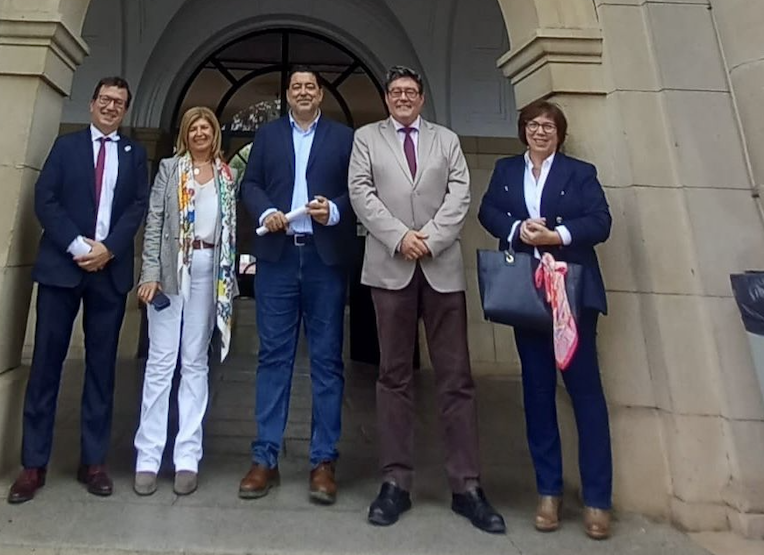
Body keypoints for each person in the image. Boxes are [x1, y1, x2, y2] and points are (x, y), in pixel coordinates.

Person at [348, 65, 505, 533]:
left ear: (422, 97)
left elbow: (461, 193)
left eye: (410, 91)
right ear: (386, 98)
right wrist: (400, 237)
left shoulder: (446, 140)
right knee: (393, 375)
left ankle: (467, 486)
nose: (403, 97)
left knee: (456, 378)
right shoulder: (366, 139)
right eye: (395, 91)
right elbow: (361, 192)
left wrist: (430, 239)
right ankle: (395, 482)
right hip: (389, 266)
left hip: (440, 269)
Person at [7, 77, 149, 503]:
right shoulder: (65, 147)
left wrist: (109, 249)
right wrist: (76, 244)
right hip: (61, 271)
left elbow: (137, 207)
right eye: (104, 99)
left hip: (108, 272)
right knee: (47, 367)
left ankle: (94, 462)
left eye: (119, 102)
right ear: (91, 104)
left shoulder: (134, 153)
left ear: (125, 110)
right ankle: (33, 464)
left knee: (101, 370)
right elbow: (45, 198)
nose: (110, 107)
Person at [478, 99, 613, 540]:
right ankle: (548, 492)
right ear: (523, 130)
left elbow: (600, 221)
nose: (540, 132)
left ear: (560, 132)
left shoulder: (580, 172)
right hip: (526, 294)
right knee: (537, 392)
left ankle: (596, 499)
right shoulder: (505, 170)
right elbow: (488, 212)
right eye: (534, 125)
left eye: (549, 126)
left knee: (585, 393)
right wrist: (518, 229)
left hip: (571, 293)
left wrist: (558, 235)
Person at [237, 67, 355, 505]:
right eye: (296, 87)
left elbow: (359, 189)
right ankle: (265, 457)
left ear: (320, 94)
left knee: (326, 362)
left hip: (324, 258)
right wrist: (265, 208)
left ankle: (323, 461)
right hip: (278, 259)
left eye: (310, 87)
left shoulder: (344, 138)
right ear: (287, 95)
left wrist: (336, 211)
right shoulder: (267, 136)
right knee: (273, 359)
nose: (303, 93)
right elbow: (250, 183)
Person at [133, 107, 238, 496]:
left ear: (214, 134)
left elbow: (231, 230)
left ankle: (187, 457)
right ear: (185, 134)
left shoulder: (227, 175)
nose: (199, 133)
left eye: (205, 127)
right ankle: (147, 456)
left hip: (211, 271)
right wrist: (149, 275)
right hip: (171, 268)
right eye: (193, 128)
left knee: (194, 362)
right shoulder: (169, 170)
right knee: (162, 362)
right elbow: (155, 220)